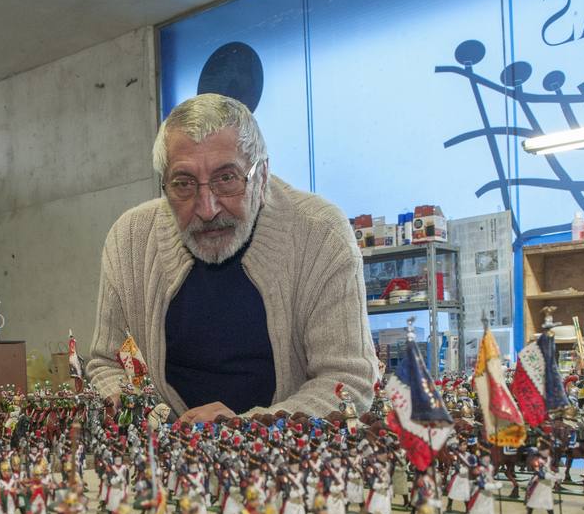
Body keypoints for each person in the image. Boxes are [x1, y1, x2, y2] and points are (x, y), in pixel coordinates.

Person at [86, 93, 376, 423]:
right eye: (184, 184)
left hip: (285, 459)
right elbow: (107, 364)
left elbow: (347, 382)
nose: (207, 209)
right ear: (164, 184)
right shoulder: (130, 240)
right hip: (164, 453)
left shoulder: (320, 234)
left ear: (262, 174)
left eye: (227, 179)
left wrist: (244, 430)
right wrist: (159, 426)